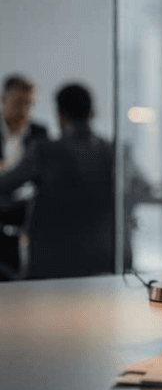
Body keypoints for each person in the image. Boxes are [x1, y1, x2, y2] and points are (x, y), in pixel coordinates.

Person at [0, 83, 115, 279]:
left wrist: (28, 206)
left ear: (60, 115)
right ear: (93, 113)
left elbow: (4, 185)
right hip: (104, 259)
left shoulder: (44, 151)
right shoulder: (112, 152)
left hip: (50, 264)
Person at [0, 74, 49, 276]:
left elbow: (43, 176)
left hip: (25, 214)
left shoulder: (40, 133)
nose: (25, 110)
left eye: (30, 104)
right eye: (19, 103)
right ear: (4, 100)